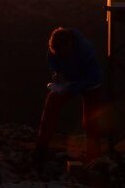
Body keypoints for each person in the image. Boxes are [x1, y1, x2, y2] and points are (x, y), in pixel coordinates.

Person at [33, 27, 104, 163]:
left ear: (70, 45)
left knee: (90, 120)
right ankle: (41, 149)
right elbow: (52, 58)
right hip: (69, 82)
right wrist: (56, 73)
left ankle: (93, 156)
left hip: (90, 85)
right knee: (51, 106)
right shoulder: (56, 47)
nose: (61, 56)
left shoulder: (86, 50)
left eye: (63, 54)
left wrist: (73, 88)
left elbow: (95, 78)